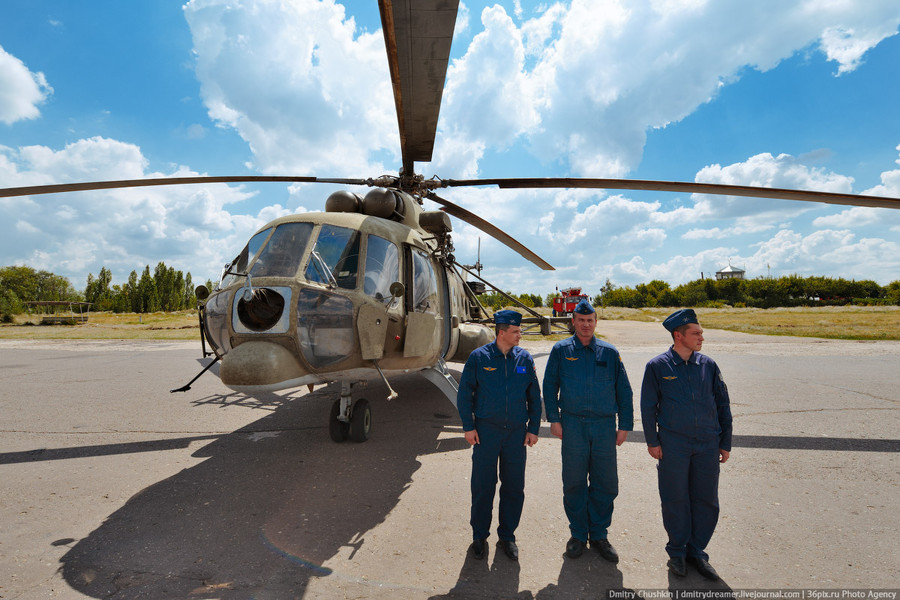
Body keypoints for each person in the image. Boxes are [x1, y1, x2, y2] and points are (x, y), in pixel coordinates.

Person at [640, 309, 733, 580]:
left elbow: (722, 405)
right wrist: (652, 441)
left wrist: (725, 442)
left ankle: (697, 552)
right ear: (678, 336)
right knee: (675, 499)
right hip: (673, 445)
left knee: (706, 500)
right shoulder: (657, 366)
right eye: (696, 333)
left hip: (707, 444)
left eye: (701, 333)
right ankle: (677, 552)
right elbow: (648, 407)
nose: (701, 337)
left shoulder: (708, 365)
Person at [543, 298, 633, 562]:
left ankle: (599, 534)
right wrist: (554, 419)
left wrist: (624, 425)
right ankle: (578, 534)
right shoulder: (561, 350)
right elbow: (550, 386)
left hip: (605, 426)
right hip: (573, 425)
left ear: (596, 322)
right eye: (580, 321)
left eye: (590, 320)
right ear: (573, 322)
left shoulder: (609, 352)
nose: (585, 325)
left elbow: (624, 391)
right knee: (574, 481)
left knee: (606, 482)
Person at [457, 309, 542, 562]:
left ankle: (507, 536)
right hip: (486, 433)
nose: (520, 335)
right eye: (516, 331)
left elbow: (534, 397)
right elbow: (465, 394)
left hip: (516, 434)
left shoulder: (524, 359)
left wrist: (533, 428)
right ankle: (479, 536)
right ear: (502, 332)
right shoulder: (478, 358)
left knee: (514, 487)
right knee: (483, 486)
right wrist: (468, 426)